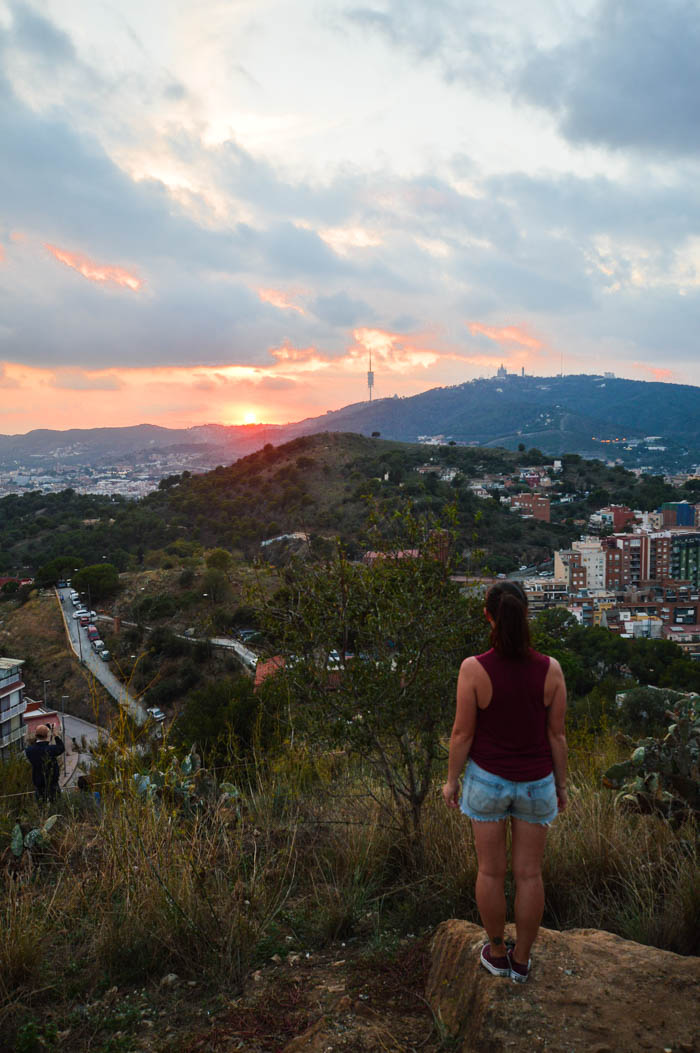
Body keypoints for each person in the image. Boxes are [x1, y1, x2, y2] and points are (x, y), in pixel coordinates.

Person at [442, 581, 568, 983]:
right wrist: (561, 787)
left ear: (488, 616)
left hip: (488, 782)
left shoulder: (474, 669)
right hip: (536, 784)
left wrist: (450, 782)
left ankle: (497, 951)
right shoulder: (551, 669)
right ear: (526, 614)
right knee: (529, 875)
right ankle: (523, 959)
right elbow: (557, 736)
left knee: (491, 873)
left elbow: (462, 734)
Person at [24, 723, 65, 803]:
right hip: (52, 784)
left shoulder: (29, 751)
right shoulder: (50, 750)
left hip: (38, 784)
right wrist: (56, 736)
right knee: (56, 805)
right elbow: (61, 747)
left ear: (36, 735)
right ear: (47, 735)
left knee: (41, 807)